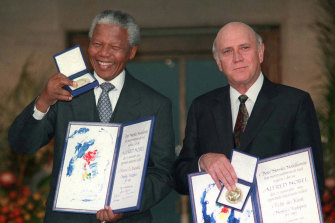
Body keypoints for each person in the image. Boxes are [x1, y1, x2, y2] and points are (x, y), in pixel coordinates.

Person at [8, 10, 175, 223]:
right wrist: (43, 100)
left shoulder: (155, 104)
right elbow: (21, 144)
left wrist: (125, 206)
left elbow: (163, 173)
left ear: (132, 52)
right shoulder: (63, 93)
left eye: (114, 47)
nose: (103, 54)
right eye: (97, 44)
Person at [173, 22, 325, 197]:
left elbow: (312, 181)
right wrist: (202, 161)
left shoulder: (295, 103)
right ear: (219, 62)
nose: (237, 58)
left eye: (244, 48)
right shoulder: (202, 107)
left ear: (260, 53)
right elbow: (179, 178)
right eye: (227, 51)